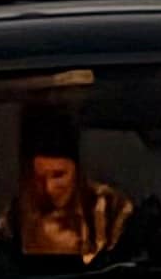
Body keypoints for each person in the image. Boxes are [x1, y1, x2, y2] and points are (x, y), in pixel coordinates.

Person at [10, 108, 131, 263]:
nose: (48, 188)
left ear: (77, 172)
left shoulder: (112, 209)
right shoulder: (13, 217)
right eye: (39, 178)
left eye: (58, 175)